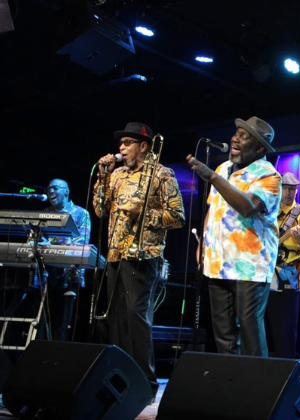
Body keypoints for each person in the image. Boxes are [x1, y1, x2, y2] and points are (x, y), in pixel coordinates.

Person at [94, 122, 185, 400]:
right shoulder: (116, 174)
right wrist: (102, 175)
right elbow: (100, 210)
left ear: (143, 146)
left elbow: (177, 217)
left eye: (127, 143)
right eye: (120, 143)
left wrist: (143, 214)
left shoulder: (162, 174)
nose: (121, 148)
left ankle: (146, 383)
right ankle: (121, 379)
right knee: (117, 318)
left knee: (136, 316)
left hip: (144, 255)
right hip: (115, 254)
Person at [186, 116, 281, 357]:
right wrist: (203, 245)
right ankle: (230, 378)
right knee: (224, 334)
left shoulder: (269, 175)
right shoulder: (223, 169)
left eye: (244, 136)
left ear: (259, 149)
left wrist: (212, 178)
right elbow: (213, 210)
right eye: (236, 133)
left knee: (249, 329)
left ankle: (257, 379)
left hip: (250, 266)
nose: (235, 139)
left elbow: (248, 207)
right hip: (218, 262)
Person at [264, 172, 300, 358]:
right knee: (261, 332)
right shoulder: (268, 211)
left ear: (297, 190)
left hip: (289, 284)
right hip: (264, 278)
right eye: (285, 188)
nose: (288, 192)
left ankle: (285, 371)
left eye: (292, 189)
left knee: (285, 335)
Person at [41, 178, 91, 341]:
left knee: (63, 322)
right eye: (49, 189)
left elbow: (81, 242)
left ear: (67, 191)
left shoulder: (80, 213)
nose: (51, 192)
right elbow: (35, 238)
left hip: (69, 275)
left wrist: (53, 247)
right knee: (44, 319)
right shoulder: (44, 213)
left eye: (55, 188)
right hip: (46, 273)